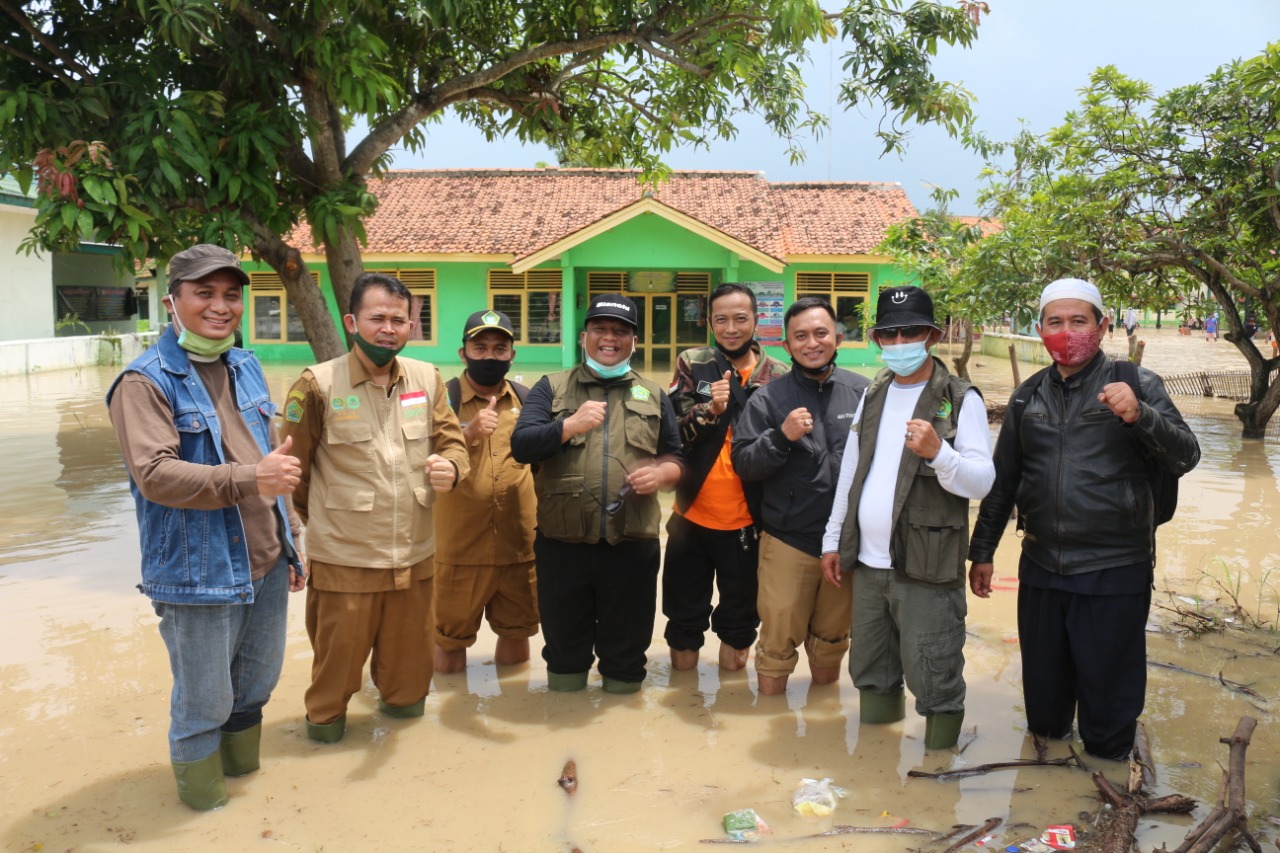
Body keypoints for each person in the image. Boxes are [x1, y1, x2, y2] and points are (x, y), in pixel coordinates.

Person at [106, 244, 305, 810]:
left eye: (231, 295)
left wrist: (291, 538)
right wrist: (251, 478)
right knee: (203, 705)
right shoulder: (143, 382)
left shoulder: (245, 365)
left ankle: (246, 804)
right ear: (172, 302)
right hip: (200, 572)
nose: (221, 307)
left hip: (264, 561)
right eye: (204, 293)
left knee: (255, 690)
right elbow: (156, 475)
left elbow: (271, 455)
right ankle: (205, 818)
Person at [968, 278, 1200, 760]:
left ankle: (1107, 789)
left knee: (1109, 715)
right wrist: (982, 552)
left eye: (1079, 321)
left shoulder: (1137, 383)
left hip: (1115, 568)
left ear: (1103, 325)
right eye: (1056, 322)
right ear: (1040, 328)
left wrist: (1141, 417)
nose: (1067, 331)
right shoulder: (1025, 396)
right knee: (1045, 714)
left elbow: (1187, 456)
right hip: (1041, 569)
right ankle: (1048, 795)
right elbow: (1004, 480)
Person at [280, 272, 468, 743]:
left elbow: (453, 443)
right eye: (377, 318)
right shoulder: (315, 385)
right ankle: (323, 759)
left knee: (409, 686)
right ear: (351, 321)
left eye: (398, 320)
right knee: (332, 685)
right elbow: (293, 474)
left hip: (415, 559)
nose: (388, 328)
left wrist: (452, 467)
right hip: (346, 562)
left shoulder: (427, 379)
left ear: (411, 325)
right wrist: (326, 523)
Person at [818, 286, 994, 749]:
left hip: (926, 566)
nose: (899, 343)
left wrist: (940, 454)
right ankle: (875, 768)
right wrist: (833, 540)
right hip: (870, 566)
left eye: (909, 332)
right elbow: (851, 472)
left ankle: (938, 775)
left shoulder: (959, 398)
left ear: (932, 335)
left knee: (934, 674)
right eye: (888, 334)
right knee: (872, 671)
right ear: (877, 339)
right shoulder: (874, 391)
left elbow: (982, 482)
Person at [511, 294, 683, 693]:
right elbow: (521, 446)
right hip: (562, 545)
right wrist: (567, 426)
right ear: (584, 336)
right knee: (565, 660)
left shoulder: (654, 395)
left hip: (631, 544)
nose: (610, 338)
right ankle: (563, 737)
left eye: (621, 331)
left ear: (633, 342)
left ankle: (620, 744)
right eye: (601, 329)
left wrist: (660, 474)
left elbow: (676, 458)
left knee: (625, 666)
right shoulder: (549, 387)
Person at [731, 297, 869, 695]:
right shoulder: (768, 399)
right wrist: (781, 437)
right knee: (776, 646)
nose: (812, 343)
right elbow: (744, 464)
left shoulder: (864, 394)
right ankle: (769, 722)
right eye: (801, 336)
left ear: (837, 338)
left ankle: (822, 728)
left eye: (821, 333)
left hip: (845, 543)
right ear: (787, 347)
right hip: (789, 540)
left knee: (831, 643)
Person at [662, 284, 789, 672]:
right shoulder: (693, 362)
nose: (731, 328)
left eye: (740, 318)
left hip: (747, 524)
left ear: (756, 320)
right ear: (710, 323)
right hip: (691, 518)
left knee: (739, 624)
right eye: (721, 319)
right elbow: (672, 435)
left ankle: (730, 705)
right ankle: (686, 700)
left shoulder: (779, 375)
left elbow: (787, 454)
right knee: (683, 620)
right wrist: (710, 410)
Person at [433, 309, 538, 674]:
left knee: (517, 636)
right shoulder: (439, 400)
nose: (489, 356)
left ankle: (516, 708)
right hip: (458, 551)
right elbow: (413, 462)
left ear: (512, 354)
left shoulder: (530, 400)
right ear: (462, 353)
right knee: (448, 645)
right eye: (480, 348)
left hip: (518, 548)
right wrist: (469, 433)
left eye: (499, 348)